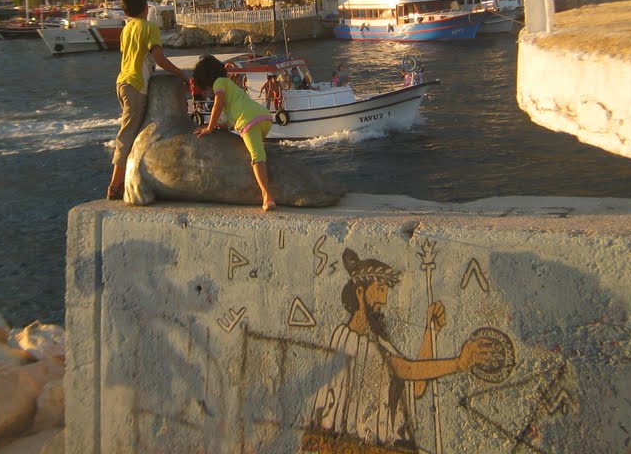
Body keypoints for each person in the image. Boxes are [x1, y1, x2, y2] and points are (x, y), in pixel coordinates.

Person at [306, 249, 498, 451]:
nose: (384, 300)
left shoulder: (377, 342)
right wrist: (459, 363)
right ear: (360, 292)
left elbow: (416, 386)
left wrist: (429, 333)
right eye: (379, 290)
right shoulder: (349, 339)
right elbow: (405, 370)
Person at [107, 0, 187, 201]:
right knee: (128, 134)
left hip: (122, 82)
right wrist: (180, 73)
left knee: (135, 132)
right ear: (145, 8)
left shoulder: (127, 29)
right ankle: (115, 184)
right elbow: (158, 59)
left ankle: (130, 177)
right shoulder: (149, 27)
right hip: (136, 85)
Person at [192, 54, 277, 211]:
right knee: (257, 151)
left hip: (249, 121)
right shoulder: (230, 86)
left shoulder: (219, 83)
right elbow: (228, 117)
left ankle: (266, 195)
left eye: (206, 88)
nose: (208, 92)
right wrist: (222, 127)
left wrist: (209, 128)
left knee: (257, 158)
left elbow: (217, 105)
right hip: (263, 117)